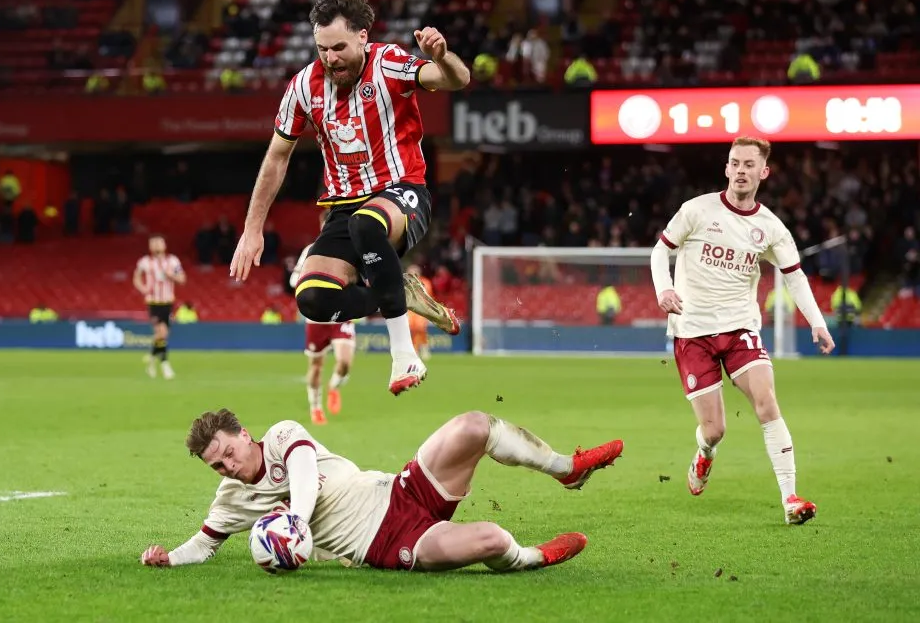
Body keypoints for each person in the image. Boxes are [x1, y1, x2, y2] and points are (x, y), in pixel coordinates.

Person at [229, 0, 469, 396]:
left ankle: (403, 355)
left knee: (366, 224)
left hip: (402, 194)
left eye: (339, 47)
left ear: (363, 35)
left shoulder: (389, 63)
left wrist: (441, 55)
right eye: (322, 49)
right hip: (344, 208)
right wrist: (253, 230)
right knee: (313, 298)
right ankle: (399, 292)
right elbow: (276, 158)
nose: (330, 58)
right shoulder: (304, 87)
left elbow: (456, 79)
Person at [140, 408, 623, 572]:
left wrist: (295, 522)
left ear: (245, 434)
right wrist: (169, 558)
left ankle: (566, 469)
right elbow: (203, 545)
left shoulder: (284, 436)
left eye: (228, 451)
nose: (227, 466)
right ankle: (532, 558)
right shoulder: (231, 497)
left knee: (474, 425)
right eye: (215, 465)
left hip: (400, 490)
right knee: (494, 541)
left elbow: (304, 471)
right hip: (392, 544)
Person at [650, 136, 835, 525]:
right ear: (726, 168)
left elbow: (795, 278)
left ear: (763, 173)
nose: (740, 171)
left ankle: (790, 499)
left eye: (749, 165)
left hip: (740, 329)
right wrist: (664, 288)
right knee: (715, 430)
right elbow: (659, 250)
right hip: (693, 330)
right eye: (735, 163)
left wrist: (817, 324)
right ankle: (704, 453)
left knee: (767, 402)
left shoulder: (770, 227)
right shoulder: (697, 210)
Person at [291, 212, 356, 425]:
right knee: (316, 366)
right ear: (322, 225)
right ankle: (316, 408)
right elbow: (294, 279)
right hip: (317, 317)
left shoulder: (351, 248)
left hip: (341, 315)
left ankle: (334, 387)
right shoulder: (311, 251)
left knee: (345, 363)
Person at [133, 234, 186, 379]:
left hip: (168, 302)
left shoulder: (173, 261)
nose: (156, 245)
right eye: (154, 243)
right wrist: (142, 288)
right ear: (150, 246)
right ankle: (165, 365)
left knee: (163, 335)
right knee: (161, 332)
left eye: (159, 243)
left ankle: (151, 358)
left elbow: (182, 278)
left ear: (164, 245)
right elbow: (136, 276)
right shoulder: (145, 262)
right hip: (153, 302)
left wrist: (171, 276)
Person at [405, 264, 433, 359]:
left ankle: (424, 347)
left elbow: (428, 297)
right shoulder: (405, 283)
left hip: (421, 310)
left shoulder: (425, 282)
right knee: (411, 329)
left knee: (420, 329)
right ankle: (415, 350)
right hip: (410, 310)